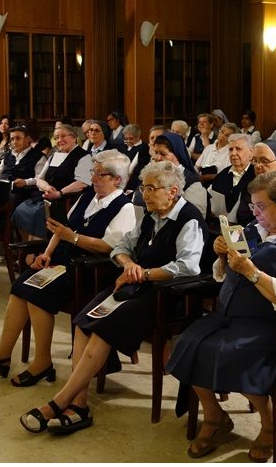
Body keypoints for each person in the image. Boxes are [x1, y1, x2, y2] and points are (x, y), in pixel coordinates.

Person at [18, 160, 204, 435]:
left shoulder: (188, 218)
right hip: (134, 284)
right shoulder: (151, 214)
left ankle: (59, 402)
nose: (144, 194)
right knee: (83, 322)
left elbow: (188, 266)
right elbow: (120, 247)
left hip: (165, 295)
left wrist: (145, 273)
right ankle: (79, 403)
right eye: (143, 188)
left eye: (151, 189)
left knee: (103, 327)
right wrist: (129, 264)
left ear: (173, 191)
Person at [167, 170, 276, 461]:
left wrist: (251, 272)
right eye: (253, 205)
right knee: (189, 344)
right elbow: (222, 276)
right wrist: (221, 256)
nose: (254, 213)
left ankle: (271, 422)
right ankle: (215, 416)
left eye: (261, 206)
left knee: (235, 353)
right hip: (231, 316)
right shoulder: (254, 228)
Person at [0, 151, 136, 386]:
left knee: (37, 294)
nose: (93, 178)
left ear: (117, 179)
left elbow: (109, 247)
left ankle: (42, 362)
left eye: (100, 174)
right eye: (94, 172)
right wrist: (46, 253)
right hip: (62, 260)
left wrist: (74, 238)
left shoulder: (124, 207)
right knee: (20, 287)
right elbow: (62, 229)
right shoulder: (88, 196)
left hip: (88, 269)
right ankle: (3, 353)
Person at [12, 124, 91, 240]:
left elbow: (82, 183)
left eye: (63, 136)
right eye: (56, 137)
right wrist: (47, 187)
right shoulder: (54, 156)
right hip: (46, 196)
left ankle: (38, 248)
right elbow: (39, 179)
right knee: (20, 210)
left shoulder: (83, 156)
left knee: (36, 214)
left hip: (64, 200)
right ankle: (28, 247)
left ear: (74, 137)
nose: (59, 140)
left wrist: (59, 193)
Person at [0, 124, 47, 208]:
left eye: (18, 138)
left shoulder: (39, 157)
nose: (14, 142)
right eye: (12, 139)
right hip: (4, 190)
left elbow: (40, 180)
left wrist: (25, 182)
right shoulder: (9, 155)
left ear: (28, 139)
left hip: (23, 194)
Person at [208, 133, 255, 224]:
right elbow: (209, 196)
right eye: (230, 149)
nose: (233, 153)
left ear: (251, 153)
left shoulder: (256, 175)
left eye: (238, 149)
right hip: (218, 224)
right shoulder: (222, 175)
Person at [121, 124, 151, 194]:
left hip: (132, 182)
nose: (128, 141)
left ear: (138, 136)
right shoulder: (123, 146)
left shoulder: (144, 148)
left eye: (131, 138)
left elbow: (138, 171)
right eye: (126, 138)